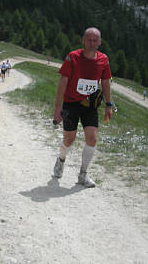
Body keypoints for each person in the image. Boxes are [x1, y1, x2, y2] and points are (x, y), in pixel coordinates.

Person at [52, 27, 113, 188]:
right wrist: (58, 107)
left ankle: (83, 174)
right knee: (69, 139)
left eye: (95, 40)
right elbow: (63, 81)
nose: (92, 43)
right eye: (89, 40)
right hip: (71, 104)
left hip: (90, 106)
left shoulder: (103, 60)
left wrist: (109, 104)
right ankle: (61, 159)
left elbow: (106, 82)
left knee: (92, 138)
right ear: (83, 41)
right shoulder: (73, 57)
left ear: (99, 42)